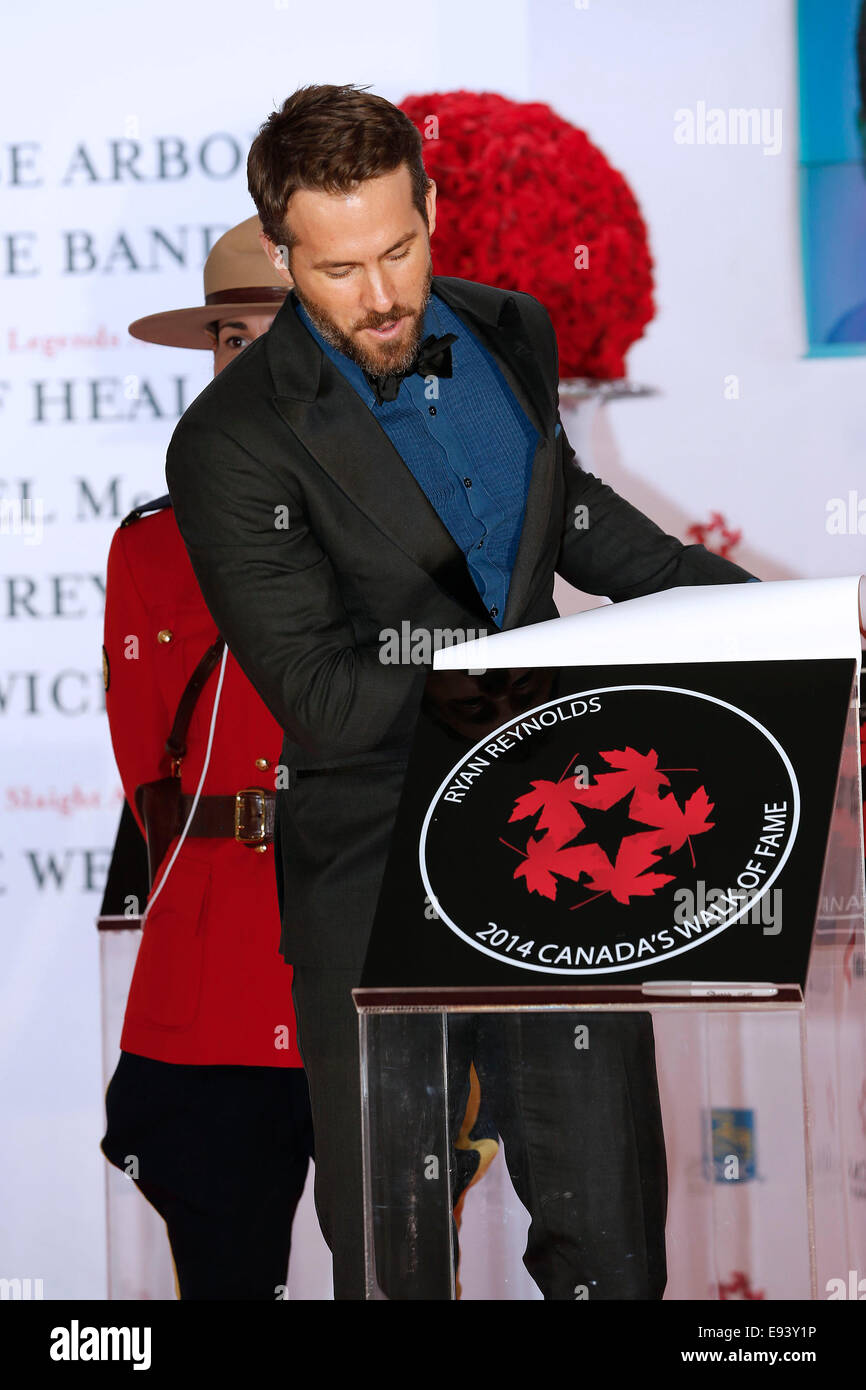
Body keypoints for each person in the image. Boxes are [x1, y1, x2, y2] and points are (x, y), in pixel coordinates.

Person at [164, 84, 758, 1300]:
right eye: (337, 270)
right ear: (283, 252)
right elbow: (327, 698)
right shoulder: (230, 443)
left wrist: (778, 619)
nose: (379, 296)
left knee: (613, 1245)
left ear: (431, 205)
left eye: (398, 249)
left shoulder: (508, 330)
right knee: (396, 1261)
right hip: (376, 881)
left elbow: (574, 523)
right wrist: (528, 670)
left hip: (558, 844)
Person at [100, 218, 314, 1301]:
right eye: (230, 337)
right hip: (213, 974)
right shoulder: (150, 544)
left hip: (363, 960)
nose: (251, 361)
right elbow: (152, 779)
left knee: (407, 1264)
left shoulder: (420, 534)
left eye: (282, 330)